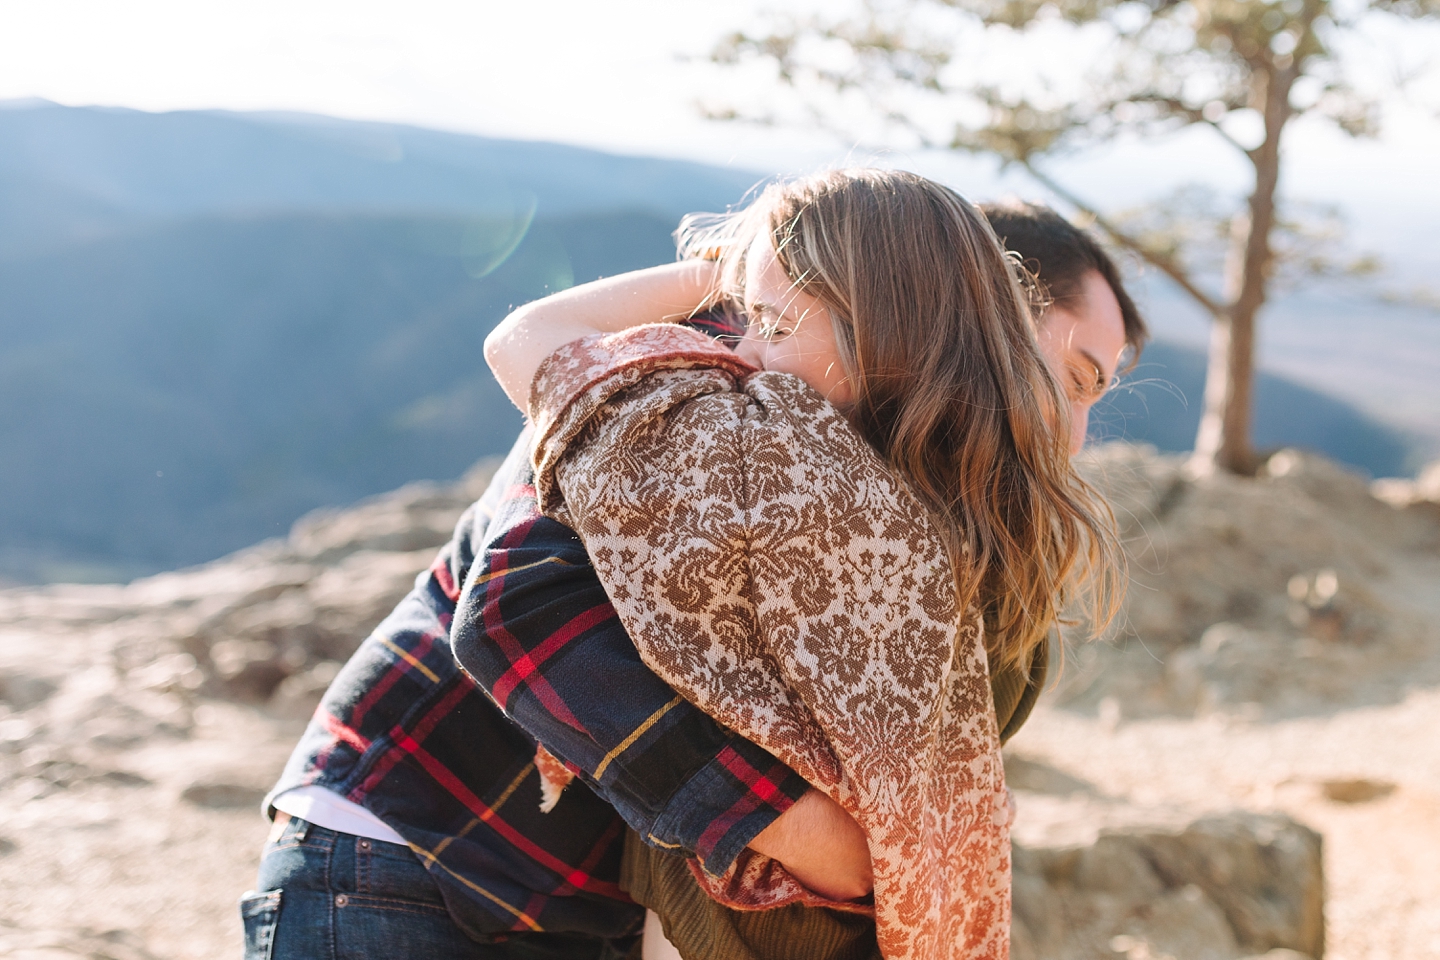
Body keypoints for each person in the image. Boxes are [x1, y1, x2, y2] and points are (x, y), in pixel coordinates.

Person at [241, 188, 1145, 960]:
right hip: (414, 851)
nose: (1072, 432)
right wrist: (798, 830)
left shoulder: (884, 475)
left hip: (567, 898)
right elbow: (521, 610)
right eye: (1071, 376)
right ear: (968, 309)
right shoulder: (696, 385)